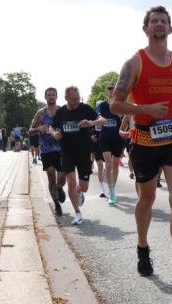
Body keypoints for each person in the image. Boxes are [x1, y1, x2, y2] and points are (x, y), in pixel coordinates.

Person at [109, 5, 172, 283]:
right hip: (145, 139)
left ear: (170, 28)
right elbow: (115, 104)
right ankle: (142, 248)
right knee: (146, 198)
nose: (159, 24)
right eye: (154, 21)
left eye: (163, 21)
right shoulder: (134, 63)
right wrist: (144, 109)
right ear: (146, 28)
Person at [49, 86, 100, 225]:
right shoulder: (61, 112)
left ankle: (79, 191)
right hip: (67, 151)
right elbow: (51, 127)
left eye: (78, 98)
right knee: (70, 181)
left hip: (84, 152)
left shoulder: (85, 109)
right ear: (66, 98)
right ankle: (77, 213)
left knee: (84, 187)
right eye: (74, 99)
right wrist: (54, 134)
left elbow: (103, 120)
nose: (77, 101)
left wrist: (90, 123)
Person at [29, 88, 67, 216]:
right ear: (45, 97)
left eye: (53, 95)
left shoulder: (62, 111)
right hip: (46, 149)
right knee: (51, 176)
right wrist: (38, 128)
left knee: (62, 176)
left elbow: (68, 126)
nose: (51, 97)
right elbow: (30, 130)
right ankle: (56, 204)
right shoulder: (40, 113)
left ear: (57, 96)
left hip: (61, 148)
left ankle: (60, 187)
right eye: (49, 95)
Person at [97, 84, 125, 206]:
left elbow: (122, 117)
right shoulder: (102, 105)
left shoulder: (120, 104)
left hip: (117, 138)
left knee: (115, 166)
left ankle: (113, 187)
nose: (111, 91)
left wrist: (117, 107)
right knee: (108, 164)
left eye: (114, 89)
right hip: (105, 138)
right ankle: (112, 192)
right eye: (109, 89)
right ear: (107, 92)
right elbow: (99, 118)